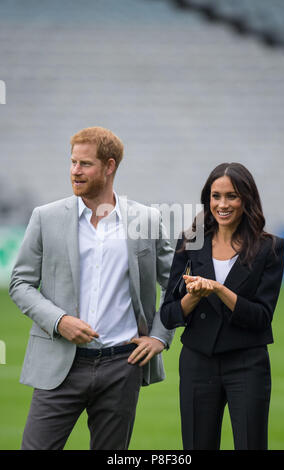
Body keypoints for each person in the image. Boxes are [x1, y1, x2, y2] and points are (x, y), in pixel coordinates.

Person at [9, 126, 174, 450]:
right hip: (59, 363)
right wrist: (59, 321)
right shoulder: (46, 217)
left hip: (123, 365)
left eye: (85, 164)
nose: (75, 171)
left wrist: (159, 336)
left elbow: (174, 284)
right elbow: (20, 282)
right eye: (72, 162)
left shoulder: (147, 219)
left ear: (109, 166)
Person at [160, 162, 284, 450]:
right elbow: (168, 315)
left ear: (247, 199)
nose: (222, 204)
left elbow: (261, 317)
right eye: (216, 196)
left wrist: (219, 289)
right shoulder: (190, 241)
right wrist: (194, 295)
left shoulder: (271, 248)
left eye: (232, 196)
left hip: (247, 364)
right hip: (197, 362)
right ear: (208, 199)